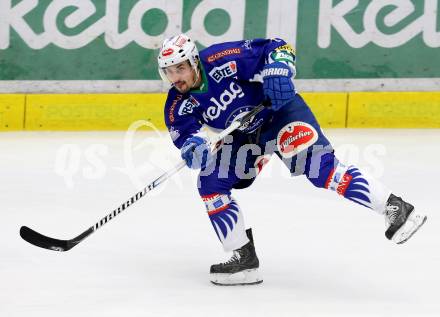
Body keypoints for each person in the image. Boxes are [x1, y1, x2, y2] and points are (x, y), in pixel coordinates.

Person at [157, 34, 427, 286]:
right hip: (246, 137)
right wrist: (192, 147)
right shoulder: (177, 103)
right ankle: (243, 259)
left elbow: (275, 46)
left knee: (322, 171)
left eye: (180, 68)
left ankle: (395, 207)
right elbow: (185, 135)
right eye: (169, 71)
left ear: (194, 62)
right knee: (210, 182)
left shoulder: (221, 59)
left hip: (281, 113)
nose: (175, 77)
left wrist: (278, 70)